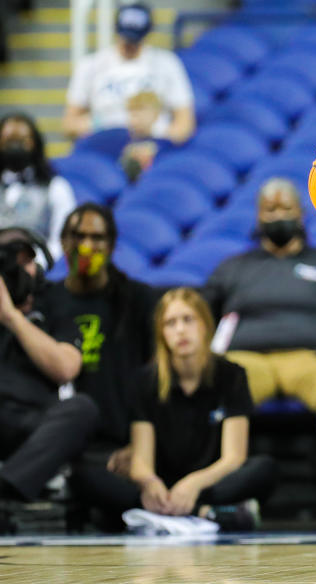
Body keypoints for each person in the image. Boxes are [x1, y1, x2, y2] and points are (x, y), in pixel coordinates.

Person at [204, 177, 316, 529]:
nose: (278, 215)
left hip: (315, 361)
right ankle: (214, 490)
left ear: (301, 213)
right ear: (257, 217)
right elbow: (202, 318)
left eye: (285, 208)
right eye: (269, 210)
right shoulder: (235, 268)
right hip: (250, 361)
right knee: (219, 377)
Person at [45, 203, 159, 528]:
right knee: (84, 480)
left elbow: (158, 380)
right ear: (63, 241)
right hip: (69, 447)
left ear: (110, 245)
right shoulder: (46, 301)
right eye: (78, 236)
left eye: (97, 238)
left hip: (129, 441)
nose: (86, 246)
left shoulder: (138, 300)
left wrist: (139, 446)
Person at [128, 288, 276, 531]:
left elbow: (234, 457)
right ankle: (206, 513)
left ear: (205, 325)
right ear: (161, 333)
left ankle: (187, 509)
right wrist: (149, 482)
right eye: (170, 323)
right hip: (165, 482)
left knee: (264, 469)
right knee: (93, 478)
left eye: (188, 320)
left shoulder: (232, 375)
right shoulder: (145, 381)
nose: (180, 330)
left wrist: (194, 484)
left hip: (209, 480)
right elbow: (141, 460)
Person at [0, 227, 97, 528]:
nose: (20, 270)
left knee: (82, 409)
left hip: (36, 426)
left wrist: (13, 318)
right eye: (8, 262)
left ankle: (6, 488)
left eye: (26, 260)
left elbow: (66, 368)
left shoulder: (55, 301)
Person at [63, 2, 195, 175]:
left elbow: (185, 124)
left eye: (136, 39)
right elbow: (69, 124)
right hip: (104, 144)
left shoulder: (167, 63)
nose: (130, 44)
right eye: (126, 37)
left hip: (152, 146)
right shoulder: (91, 65)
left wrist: (156, 130)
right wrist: (101, 123)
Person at [0, 113, 76, 262]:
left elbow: (62, 239)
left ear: (35, 143)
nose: (15, 146)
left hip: (38, 269)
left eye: (22, 141)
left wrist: (37, 264)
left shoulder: (56, 187)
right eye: (8, 140)